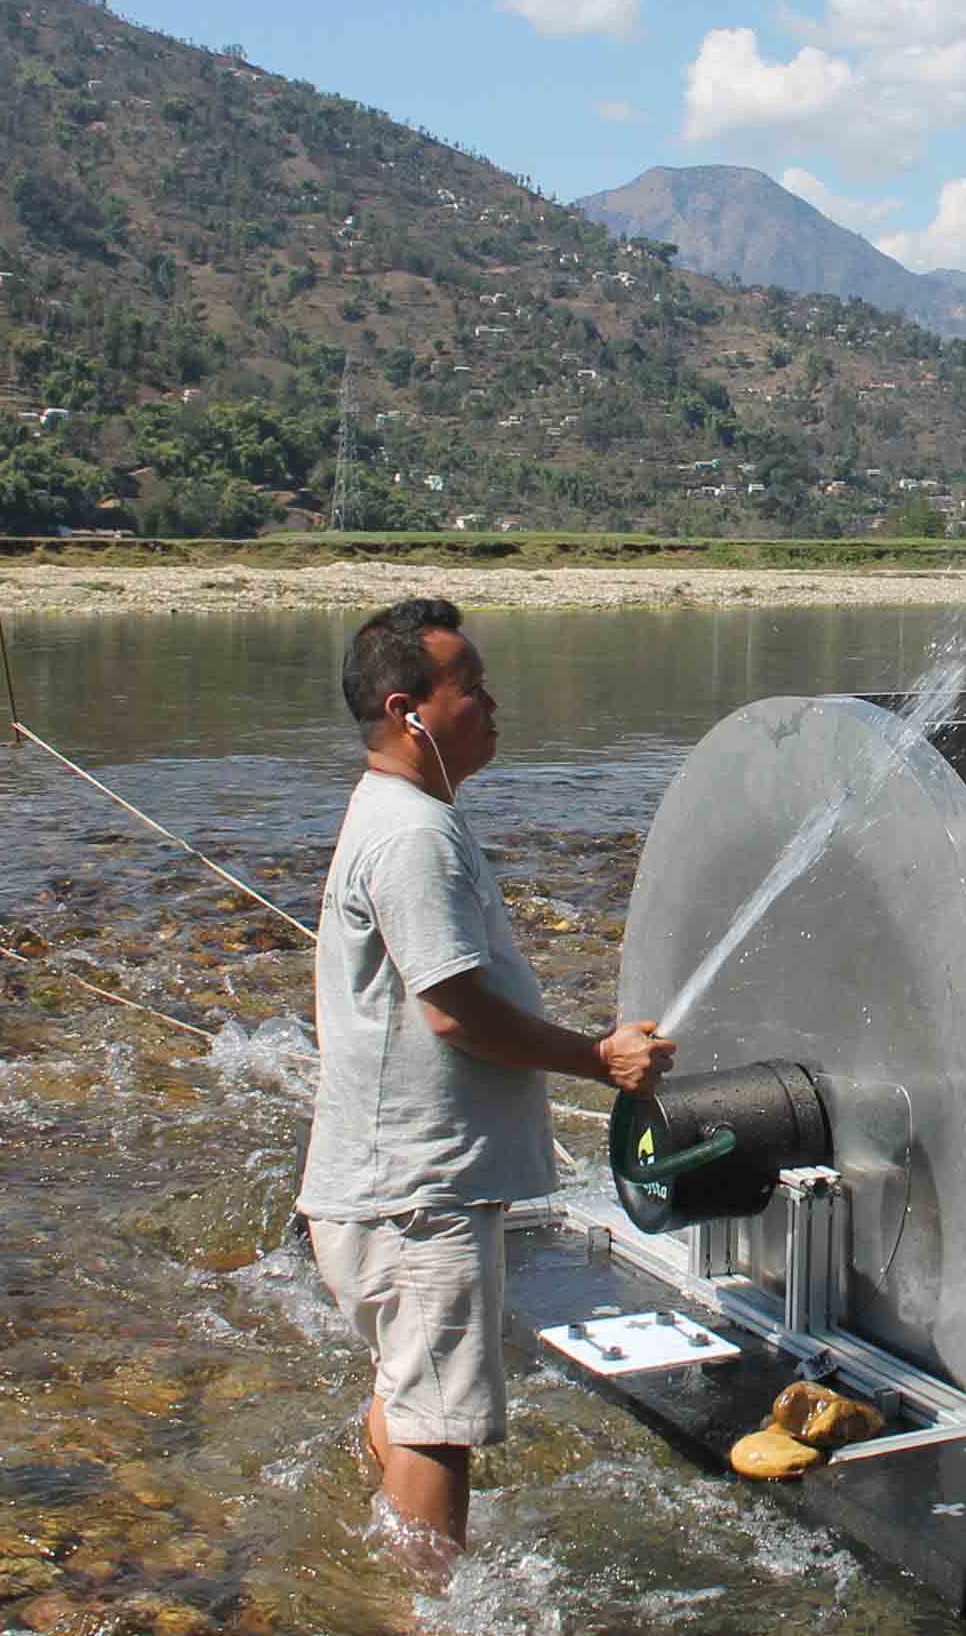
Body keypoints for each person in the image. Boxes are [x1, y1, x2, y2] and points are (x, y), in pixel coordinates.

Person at [302, 598, 674, 1566]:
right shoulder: (411, 836)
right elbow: (454, 1013)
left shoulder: (406, 815)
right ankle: (424, 1603)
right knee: (438, 1428)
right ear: (408, 709)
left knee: (410, 1397)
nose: (493, 701)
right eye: (469, 685)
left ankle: (386, 1571)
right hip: (417, 1194)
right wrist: (597, 1058)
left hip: (396, 1188)